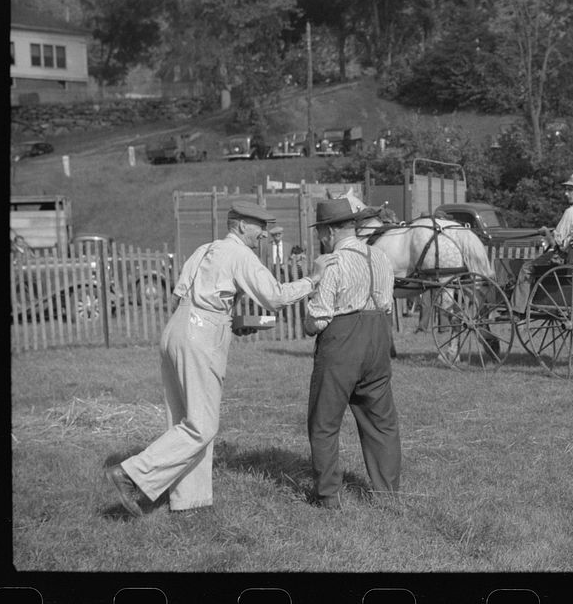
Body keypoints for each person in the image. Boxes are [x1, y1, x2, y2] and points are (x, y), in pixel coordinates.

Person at [104, 202, 325, 518]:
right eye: (258, 226)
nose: (263, 234)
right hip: (200, 334)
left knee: (184, 419)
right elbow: (274, 296)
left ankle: (189, 501)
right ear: (239, 225)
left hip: (177, 327)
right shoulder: (239, 254)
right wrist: (313, 280)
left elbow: (186, 294)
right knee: (202, 426)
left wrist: (228, 319)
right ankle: (130, 474)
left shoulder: (206, 248)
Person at [303, 199, 400, 510]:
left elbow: (318, 319)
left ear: (330, 231)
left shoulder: (332, 262)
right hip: (378, 337)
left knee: (324, 421)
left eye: (321, 231)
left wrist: (307, 319)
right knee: (380, 419)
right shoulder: (381, 257)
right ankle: (387, 493)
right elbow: (388, 304)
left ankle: (328, 495)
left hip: (342, 341)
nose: (320, 237)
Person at [510, 174, 573, 313]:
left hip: (565, 261)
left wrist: (546, 232)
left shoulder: (571, 212)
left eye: (570, 190)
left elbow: (556, 243)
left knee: (526, 268)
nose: (566, 193)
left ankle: (517, 309)